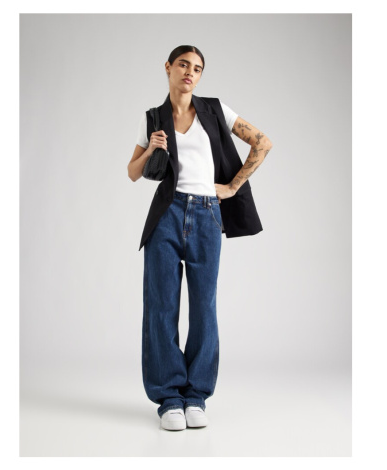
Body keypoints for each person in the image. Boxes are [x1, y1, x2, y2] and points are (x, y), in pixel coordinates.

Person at [127, 45, 273, 431]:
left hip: (207, 215)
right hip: (166, 215)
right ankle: (169, 398)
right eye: (183, 65)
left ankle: (196, 396)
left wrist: (232, 186)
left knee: (204, 308)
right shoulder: (152, 118)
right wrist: (152, 148)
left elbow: (262, 142)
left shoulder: (215, 110)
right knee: (161, 307)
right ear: (168, 68)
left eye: (197, 68)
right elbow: (132, 172)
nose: (190, 72)